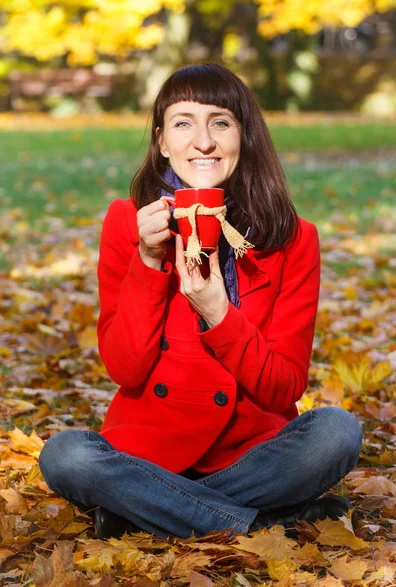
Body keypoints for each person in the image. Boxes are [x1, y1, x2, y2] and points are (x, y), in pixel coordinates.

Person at [39, 63, 362, 540]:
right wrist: (148, 262)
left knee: (337, 432)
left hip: (249, 453)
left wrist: (218, 312)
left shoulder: (293, 239)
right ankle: (260, 523)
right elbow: (125, 369)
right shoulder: (128, 222)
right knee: (65, 456)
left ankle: (146, 508)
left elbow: (283, 387)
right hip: (149, 449)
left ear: (243, 137)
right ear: (162, 141)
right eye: (183, 122)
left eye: (221, 122)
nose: (203, 141)